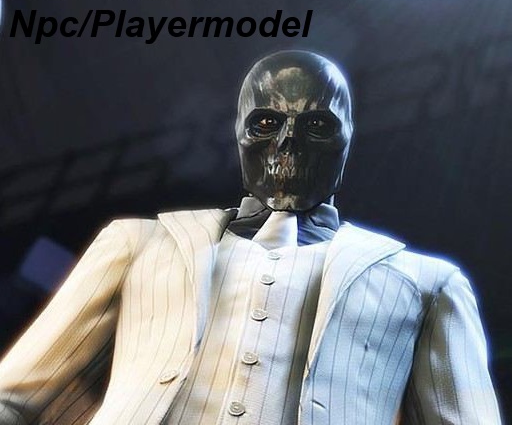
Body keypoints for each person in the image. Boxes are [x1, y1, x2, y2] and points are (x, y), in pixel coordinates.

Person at [0, 50, 502, 424]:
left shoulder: (427, 284)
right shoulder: (138, 244)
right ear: (239, 132)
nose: (288, 142)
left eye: (317, 125)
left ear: (347, 140)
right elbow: (14, 396)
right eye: (266, 122)